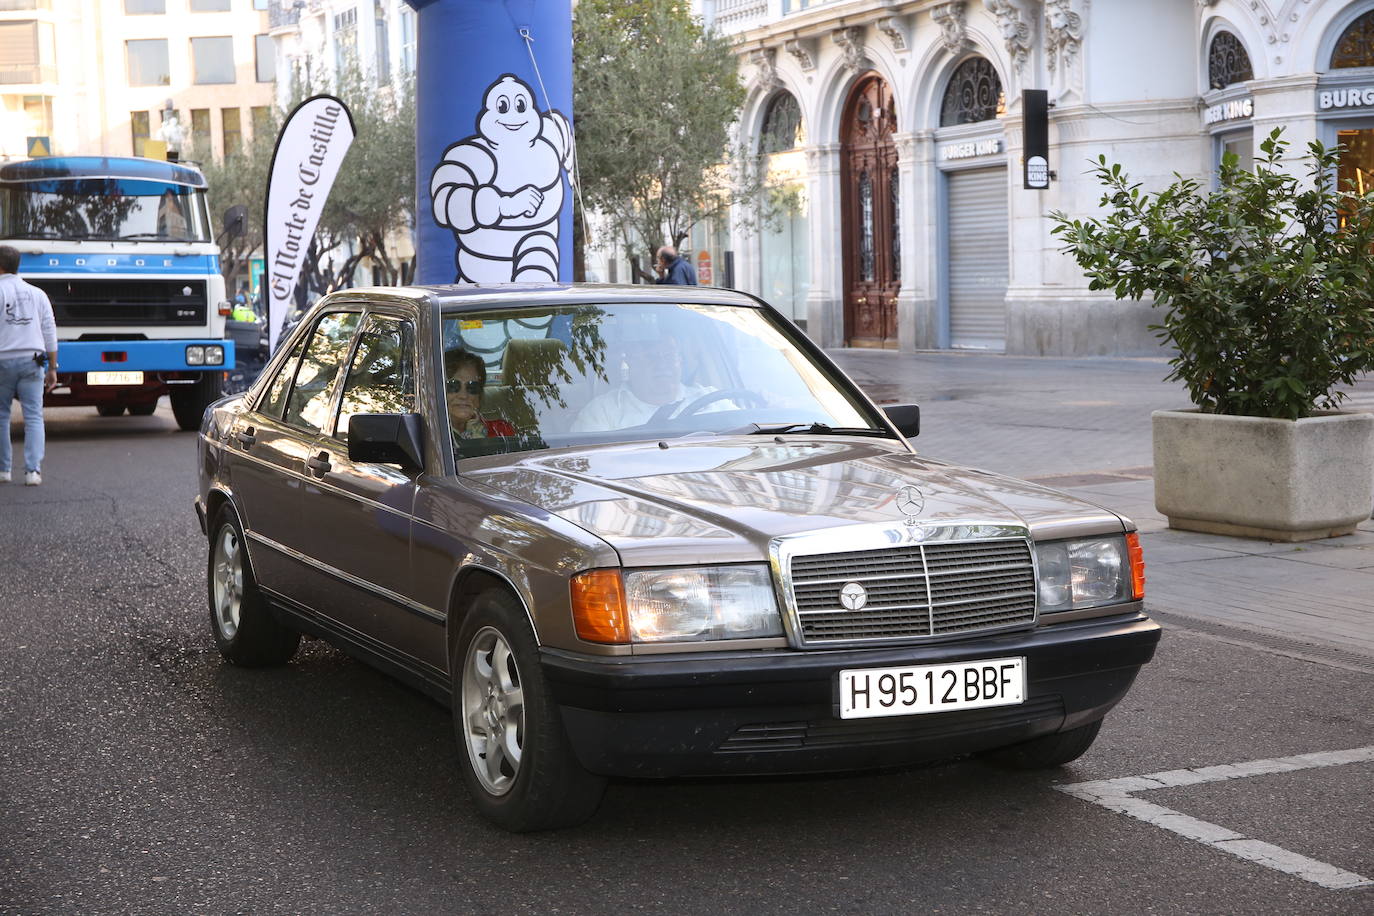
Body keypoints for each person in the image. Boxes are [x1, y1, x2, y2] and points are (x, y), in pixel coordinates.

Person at [572, 335, 720, 432]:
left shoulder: (712, 400)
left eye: (669, 355)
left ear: (680, 361)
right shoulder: (603, 412)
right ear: (630, 362)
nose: (662, 364)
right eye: (650, 357)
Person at [0, 245, 58, 486]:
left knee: (2, 416)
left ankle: (4, 470)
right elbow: (49, 331)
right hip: (34, 359)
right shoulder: (38, 294)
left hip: (2, 359)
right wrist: (52, 367)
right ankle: (33, 471)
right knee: (34, 416)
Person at [445, 349, 516, 439]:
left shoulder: (502, 432)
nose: (463, 395)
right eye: (453, 386)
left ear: (479, 398)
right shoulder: (428, 440)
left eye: (472, 387)